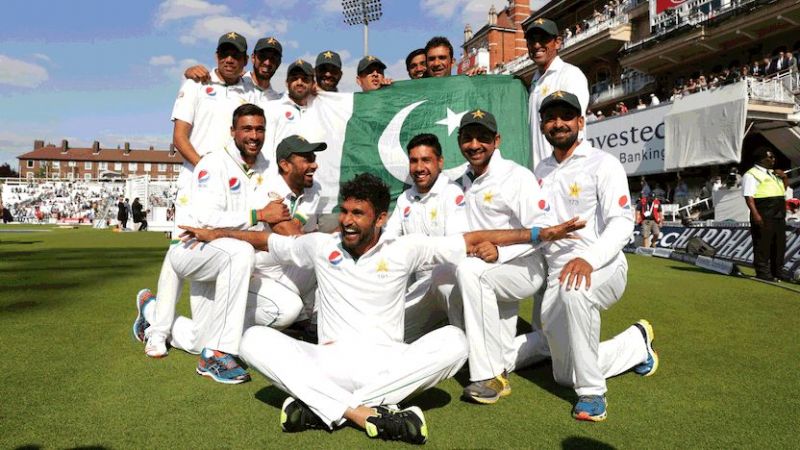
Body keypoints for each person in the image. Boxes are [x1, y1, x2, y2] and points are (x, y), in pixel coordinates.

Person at [178, 173, 584, 444]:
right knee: (252, 339)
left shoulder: (404, 248)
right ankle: (361, 414)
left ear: (381, 218)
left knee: (457, 341)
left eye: (359, 214)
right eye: (345, 212)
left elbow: (473, 235)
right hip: (328, 361)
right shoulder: (322, 245)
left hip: (389, 366)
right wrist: (217, 233)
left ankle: (321, 408)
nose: (348, 222)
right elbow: (266, 242)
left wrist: (538, 233)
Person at [513, 90, 658, 422]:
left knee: (575, 288)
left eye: (566, 116)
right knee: (564, 374)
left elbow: (623, 223)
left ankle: (593, 394)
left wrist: (588, 260)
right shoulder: (541, 170)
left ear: (580, 122)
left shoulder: (603, 163)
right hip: (557, 274)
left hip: (601, 266)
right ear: (542, 126)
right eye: (551, 118)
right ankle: (635, 344)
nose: (558, 123)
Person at [133, 104, 289, 376]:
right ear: (233, 132)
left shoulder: (269, 169)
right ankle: (218, 353)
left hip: (222, 258)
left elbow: (279, 211)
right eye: (247, 129)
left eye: (259, 129)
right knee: (240, 252)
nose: (254, 135)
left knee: (197, 339)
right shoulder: (213, 163)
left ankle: (150, 311)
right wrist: (260, 214)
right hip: (192, 250)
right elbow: (206, 219)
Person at [132, 32, 255, 358]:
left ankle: (196, 329)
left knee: (221, 251)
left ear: (244, 61)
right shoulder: (196, 84)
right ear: (216, 56)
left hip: (234, 188)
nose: (229, 59)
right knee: (180, 250)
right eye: (223, 53)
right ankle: (156, 330)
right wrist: (208, 170)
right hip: (196, 183)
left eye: (236, 55)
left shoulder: (249, 89)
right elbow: (179, 137)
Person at [452, 109, 552, 404]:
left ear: (497, 140)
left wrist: (501, 250)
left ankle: (489, 375)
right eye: (467, 138)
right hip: (493, 273)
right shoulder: (460, 179)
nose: (474, 144)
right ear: (459, 141)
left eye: (483, 137)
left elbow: (542, 229)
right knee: (505, 348)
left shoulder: (517, 176)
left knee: (468, 271)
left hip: (524, 268)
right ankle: (550, 342)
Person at [383, 133, 468, 341]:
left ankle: (469, 344)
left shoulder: (452, 193)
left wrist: (414, 248)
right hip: (419, 288)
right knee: (393, 336)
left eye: (426, 160)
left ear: (440, 162)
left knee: (445, 281)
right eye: (414, 161)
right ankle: (440, 325)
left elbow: (456, 248)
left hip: (448, 283)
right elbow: (389, 240)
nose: (419, 168)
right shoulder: (406, 198)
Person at [249, 134, 328, 336]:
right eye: (307, 159)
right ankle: (230, 322)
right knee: (287, 310)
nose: (314, 165)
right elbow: (288, 235)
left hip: (283, 266)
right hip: (257, 272)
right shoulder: (268, 189)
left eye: (314, 158)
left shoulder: (314, 188)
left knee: (325, 258)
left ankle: (309, 322)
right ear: (285, 165)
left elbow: (295, 232)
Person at [524, 18, 589, 168]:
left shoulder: (570, 74)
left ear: (558, 42)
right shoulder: (533, 82)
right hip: (541, 174)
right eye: (531, 41)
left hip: (566, 171)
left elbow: (574, 128)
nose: (536, 45)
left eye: (543, 39)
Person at [184, 36, 282, 105]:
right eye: (262, 56)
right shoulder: (237, 80)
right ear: (253, 58)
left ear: (279, 62)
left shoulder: (278, 99)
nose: (267, 62)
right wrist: (190, 71)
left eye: (273, 58)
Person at [742, 148, 789, 281]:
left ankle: (777, 272)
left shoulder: (774, 173)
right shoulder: (751, 174)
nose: (773, 159)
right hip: (764, 212)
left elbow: (782, 189)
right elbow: (749, 197)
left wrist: (784, 177)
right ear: (761, 159)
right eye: (770, 157)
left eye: (773, 157)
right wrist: (756, 215)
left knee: (779, 244)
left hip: (778, 213)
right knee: (763, 244)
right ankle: (763, 273)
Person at [262, 59, 317, 163]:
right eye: (295, 78)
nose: (299, 82)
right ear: (287, 82)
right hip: (280, 175)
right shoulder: (272, 108)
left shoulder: (319, 110)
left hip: (313, 174)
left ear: (313, 83)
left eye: (305, 79)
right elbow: (266, 150)